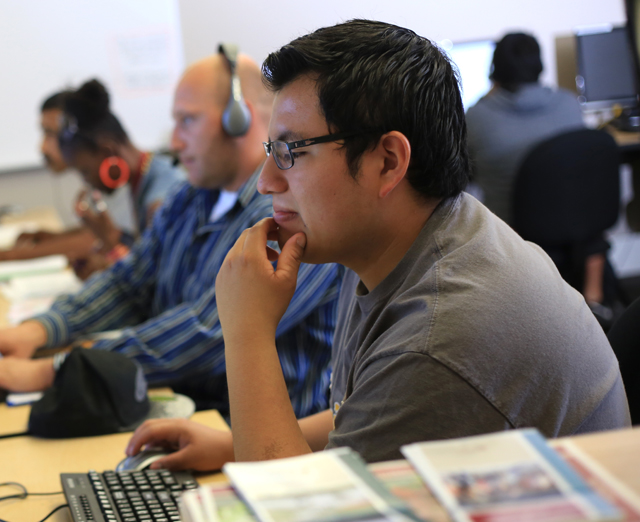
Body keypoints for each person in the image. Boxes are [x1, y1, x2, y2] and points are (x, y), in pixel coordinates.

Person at [124, 20, 630, 471]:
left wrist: (247, 331)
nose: (265, 181)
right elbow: (361, 414)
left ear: (387, 162)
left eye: (289, 152)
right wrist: (235, 444)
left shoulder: (440, 337)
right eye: (268, 150)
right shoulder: (406, 238)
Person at [0, 49, 343, 417]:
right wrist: (40, 330)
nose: (173, 141)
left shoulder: (288, 217)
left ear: (236, 120)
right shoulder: (190, 197)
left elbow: (205, 333)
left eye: (187, 120)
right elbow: (128, 283)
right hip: (185, 411)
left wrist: (54, 369)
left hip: (251, 440)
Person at [0, 81, 183, 277]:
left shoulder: (159, 201)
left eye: (86, 172)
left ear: (109, 154)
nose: (88, 183)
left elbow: (155, 286)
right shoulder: (141, 179)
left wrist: (109, 247)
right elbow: (134, 251)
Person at [466, 33, 584, 226]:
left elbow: (460, 179)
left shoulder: (476, 117)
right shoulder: (570, 104)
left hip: (511, 244)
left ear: (495, 71)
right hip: (572, 237)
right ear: (539, 66)